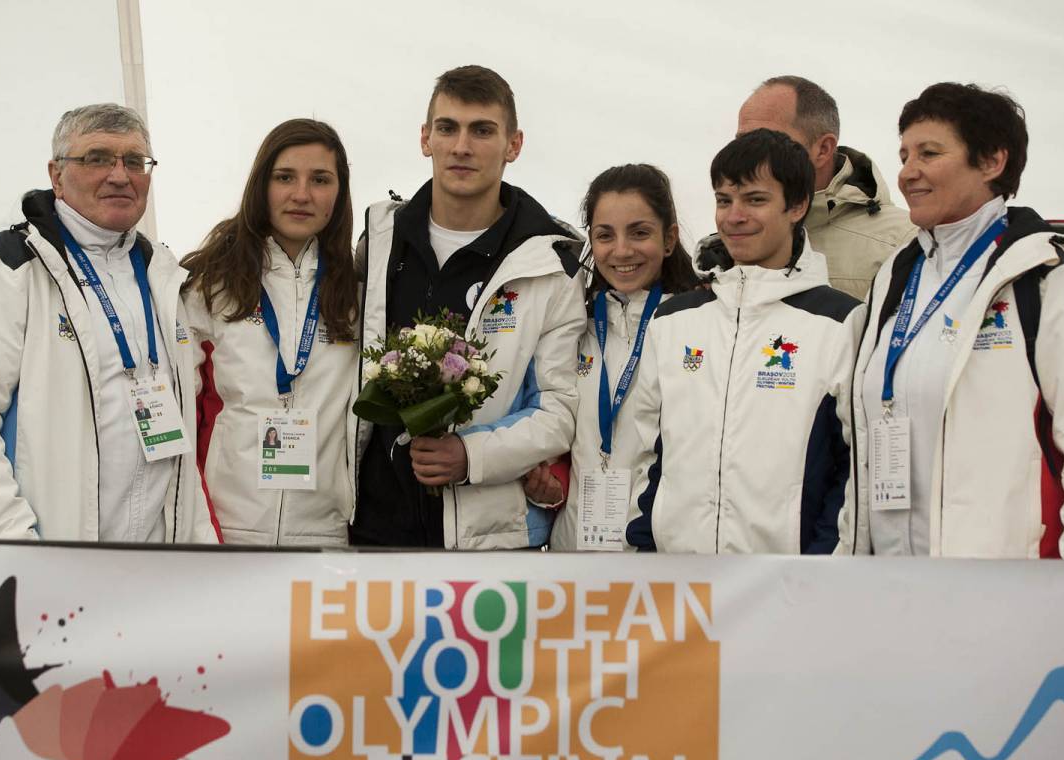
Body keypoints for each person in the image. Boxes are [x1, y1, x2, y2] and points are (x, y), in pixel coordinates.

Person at [0, 103, 216, 543]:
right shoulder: (6, 270)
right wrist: (18, 550)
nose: (120, 175)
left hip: (156, 569)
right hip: (45, 562)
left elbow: (182, 448)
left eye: (135, 161)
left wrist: (198, 554)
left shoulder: (164, 275)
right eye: (97, 158)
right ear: (56, 176)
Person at [350, 65, 584, 549]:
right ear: (425, 138)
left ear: (513, 145)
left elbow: (558, 410)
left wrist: (470, 455)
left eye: (482, 130)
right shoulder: (378, 242)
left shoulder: (553, 262)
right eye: (447, 128)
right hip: (374, 532)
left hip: (488, 540)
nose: (461, 146)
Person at [851, 82, 1064, 558]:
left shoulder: (1045, 279)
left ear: (992, 162)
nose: (908, 172)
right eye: (905, 155)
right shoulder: (895, 276)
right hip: (888, 581)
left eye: (929, 153)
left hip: (1004, 584)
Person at [626, 129, 865, 554]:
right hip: (679, 577)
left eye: (755, 200)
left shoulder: (840, 322)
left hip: (789, 581)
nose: (734, 217)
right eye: (724, 200)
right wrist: (644, 552)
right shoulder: (674, 319)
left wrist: (821, 568)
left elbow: (853, 467)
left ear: (797, 206)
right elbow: (647, 455)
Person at [182, 119, 358, 547]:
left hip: (326, 535)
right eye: (285, 177)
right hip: (226, 532)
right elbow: (184, 412)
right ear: (261, 185)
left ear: (339, 192)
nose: (302, 194)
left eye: (320, 179)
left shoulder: (359, 294)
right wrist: (203, 532)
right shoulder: (209, 286)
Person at [543, 165, 699, 552]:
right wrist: (552, 482)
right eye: (605, 235)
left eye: (639, 232)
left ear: (669, 239)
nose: (622, 250)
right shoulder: (573, 326)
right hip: (573, 554)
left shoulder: (695, 330)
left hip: (658, 556)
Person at [738, 75, 914, 300]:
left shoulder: (904, 243)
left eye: (766, 141)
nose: (746, 155)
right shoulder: (725, 242)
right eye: (741, 141)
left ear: (823, 149)